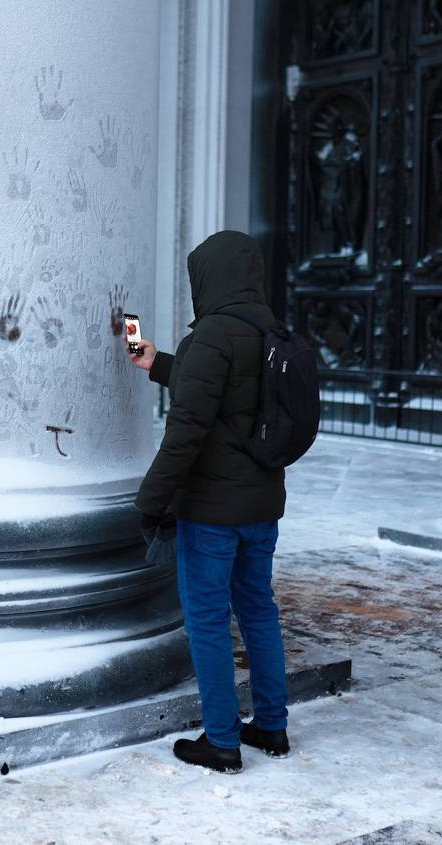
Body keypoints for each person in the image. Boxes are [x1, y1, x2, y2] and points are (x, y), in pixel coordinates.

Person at [128, 230, 289, 774]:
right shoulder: (271, 331)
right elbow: (230, 392)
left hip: (211, 514)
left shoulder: (211, 336)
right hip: (261, 505)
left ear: (208, 278)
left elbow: (188, 429)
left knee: (207, 620)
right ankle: (271, 724)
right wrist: (161, 363)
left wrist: (150, 501)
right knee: (259, 611)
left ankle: (221, 740)